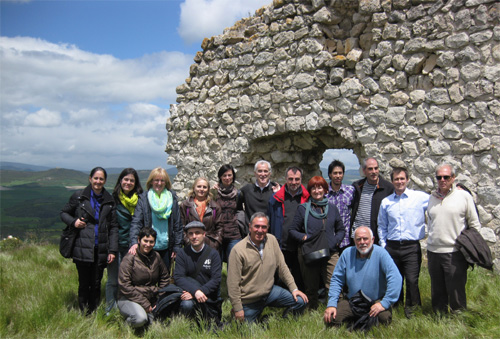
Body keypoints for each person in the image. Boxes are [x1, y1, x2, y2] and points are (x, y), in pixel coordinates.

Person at [227, 212, 308, 323]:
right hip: (250, 300)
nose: (260, 230)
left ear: (268, 228)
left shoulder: (272, 240)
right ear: (250, 227)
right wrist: (238, 309)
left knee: (300, 301)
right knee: (246, 331)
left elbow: (282, 267)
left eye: (264, 227)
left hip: (270, 292)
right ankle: (252, 318)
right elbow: (232, 284)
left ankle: (279, 321)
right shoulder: (238, 250)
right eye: (256, 226)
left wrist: (294, 289)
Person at [60, 167, 118, 314]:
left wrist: (112, 250)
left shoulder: (109, 200)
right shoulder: (79, 197)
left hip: (101, 248)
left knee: (97, 283)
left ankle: (93, 311)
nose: (98, 181)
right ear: (90, 179)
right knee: (84, 283)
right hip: (83, 247)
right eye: (96, 178)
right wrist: (74, 222)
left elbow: (113, 227)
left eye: (101, 179)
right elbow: (63, 213)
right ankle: (84, 312)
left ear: (105, 181)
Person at [426, 163, 481, 313]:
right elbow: (430, 222)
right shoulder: (432, 197)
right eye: (439, 177)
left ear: (453, 178)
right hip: (433, 251)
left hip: (454, 252)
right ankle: (439, 318)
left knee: (456, 289)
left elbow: (474, 225)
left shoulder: (463, 196)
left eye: (446, 177)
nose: (442, 180)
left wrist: (466, 247)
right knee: (437, 289)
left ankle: (459, 319)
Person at [324, 226, 401, 328]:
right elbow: (337, 280)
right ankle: (358, 319)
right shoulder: (347, 253)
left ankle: (361, 320)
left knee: (384, 319)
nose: (362, 242)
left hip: (376, 301)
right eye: (358, 239)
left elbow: (396, 278)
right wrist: (332, 304)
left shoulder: (381, 253)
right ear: (354, 241)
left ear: (372, 239)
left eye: (365, 238)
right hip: (353, 301)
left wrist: (384, 303)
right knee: (332, 319)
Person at [377, 167, 429, 317]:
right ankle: (396, 307)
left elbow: (436, 201)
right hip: (392, 246)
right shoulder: (386, 202)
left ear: (407, 180)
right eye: (396, 179)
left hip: (411, 246)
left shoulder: (419, 197)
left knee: (412, 280)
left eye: (402, 179)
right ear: (392, 181)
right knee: (395, 279)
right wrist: (384, 245)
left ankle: (413, 310)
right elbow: (382, 225)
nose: (399, 182)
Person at [289, 176, 344, 309]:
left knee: (334, 283)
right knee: (311, 286)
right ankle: (312, 310)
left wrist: (335, 241)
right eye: (313, 188)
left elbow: (341, 229)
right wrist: (304, 238)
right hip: (311, 252)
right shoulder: (303, 209)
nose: (317, 190)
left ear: (325, 190)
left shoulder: (332, 208)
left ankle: (336, 308)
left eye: (319, 187)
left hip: (330, 252)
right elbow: (292, 230)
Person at [105, 168, 143, 313]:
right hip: (116, 245)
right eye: (126, 179)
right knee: (113, 280)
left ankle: (127, 308)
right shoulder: (112, 199)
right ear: (120, 180)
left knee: (130, 281)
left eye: (131, 180)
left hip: (133, 246)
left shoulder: (140, 200)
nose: (128, 183)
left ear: (136, 183)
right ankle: (110, 310)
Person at [129, 167, 183, 269]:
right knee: (147, 278)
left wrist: (177, 246)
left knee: (164, 279)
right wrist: (134, 242)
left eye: (162, 180)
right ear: (151, 182)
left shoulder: (172, 199)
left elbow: (178, 225)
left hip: (167, 246)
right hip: (147, 245)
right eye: (156, 180)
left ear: (166, 182)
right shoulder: (144, 199)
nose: (159, 183)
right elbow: (136, 222)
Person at [118, 227, 170, 329]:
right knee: (140, 319)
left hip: (150, 297)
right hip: (128, 298)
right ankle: (124, 326)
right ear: (139, 240)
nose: (148, 244)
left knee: (158, 324)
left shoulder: (156, 256)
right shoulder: (130, 258)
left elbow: (165, 278)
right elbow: (124, 285)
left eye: (151, 242)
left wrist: (159, 298)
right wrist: (145, 304)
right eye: (145, 241)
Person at [268, 166, 310, 290]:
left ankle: (299, 301)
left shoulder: (307, 198)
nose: (293, 182)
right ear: (285, 179)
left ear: (301, 179)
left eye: (297, 179)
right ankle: (280, 300)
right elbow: (270, 219)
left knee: (299, 276)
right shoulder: (275, 198)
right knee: (280, 275)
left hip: (300, 244)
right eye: (290, 179)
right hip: (281, 243)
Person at [174, 221, 222, 323]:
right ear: (187, 236)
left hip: (207, 296)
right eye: (190, 233)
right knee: (187, 305)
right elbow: (179, 277)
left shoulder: (214, 254)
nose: (194, 236)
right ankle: (187, 325)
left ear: (204, 234)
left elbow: (216, 279)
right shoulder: (182, 253)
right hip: (189, 294)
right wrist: (195, 291)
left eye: (197, 233)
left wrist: (200, 291)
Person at [351, 158, 394, 245]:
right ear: (364, 171)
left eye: (376, 168)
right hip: (357, 236)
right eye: (370, 169)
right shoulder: (357, 187)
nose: (374, 171)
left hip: (376, 237)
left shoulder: (388, 188)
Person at [180, 177, 222, 251]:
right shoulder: (185, 206)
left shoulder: (215, 207)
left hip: (210, 245)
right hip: (191, 245)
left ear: (208, 189)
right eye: (199, 186)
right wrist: (187, 242)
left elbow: (220, 228)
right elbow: (181, 227)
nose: (201, 189)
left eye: (204, 187)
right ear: (194, 188)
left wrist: (215, 244)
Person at [326, 160, 355, 252]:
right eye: (335, 173)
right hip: (328, 239)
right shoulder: (324, 193)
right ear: (330, 174)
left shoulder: (350, 191)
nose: (338, 176)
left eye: (340, 173)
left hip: (346, 240)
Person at [214, 164, 241, 262]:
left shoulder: (238, 194)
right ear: (220, 177)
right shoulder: (214, 193)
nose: (227, 178)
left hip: (234, 234)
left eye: (229, 175)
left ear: (233, 176)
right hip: (217, 233)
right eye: (224, 175)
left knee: (234, 265)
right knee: (216, 264)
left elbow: (239, 210)